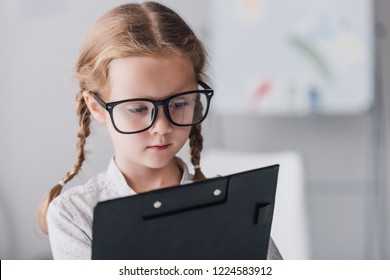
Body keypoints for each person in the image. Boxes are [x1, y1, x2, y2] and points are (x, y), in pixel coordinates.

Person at [37, 1, 282, 260]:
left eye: (178, 104)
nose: (162, 127)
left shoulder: (232, 205)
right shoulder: (75, 215)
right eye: (138, 109)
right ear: (97, 108)